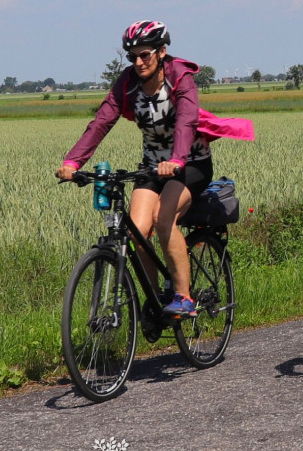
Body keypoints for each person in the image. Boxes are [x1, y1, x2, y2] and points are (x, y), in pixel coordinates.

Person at [56, 21, 254, 319]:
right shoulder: (127, 83)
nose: (138, 62)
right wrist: (73, 162)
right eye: (132, 56)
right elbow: (101, 122)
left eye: (144, 55)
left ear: (161, 52)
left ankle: (184, 297)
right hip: (151, 167)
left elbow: (187, 121)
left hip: (190, 163)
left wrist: (176, 159)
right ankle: (158, 299)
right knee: (136, 233)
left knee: (164, 219)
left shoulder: (180, 78)